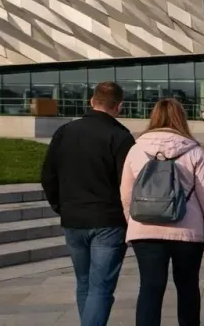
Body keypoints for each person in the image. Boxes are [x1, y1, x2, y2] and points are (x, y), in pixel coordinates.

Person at [121, 99, 204, 326]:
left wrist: (132, 223)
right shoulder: (193, 150)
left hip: (145, 229)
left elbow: (126, 193)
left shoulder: (136, 149)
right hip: (187, 230)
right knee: (187, 286)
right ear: (181, 118)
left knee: (149, 287)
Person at [41, 81, 135, 326]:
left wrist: (61, 206)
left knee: (84, 283)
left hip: (73, 218)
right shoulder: (120, 136)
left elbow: (48, 175)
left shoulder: (65, 132)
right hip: (108, 220)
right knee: (100, 287)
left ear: (92, 101)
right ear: (119, 106)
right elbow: (128, 184)